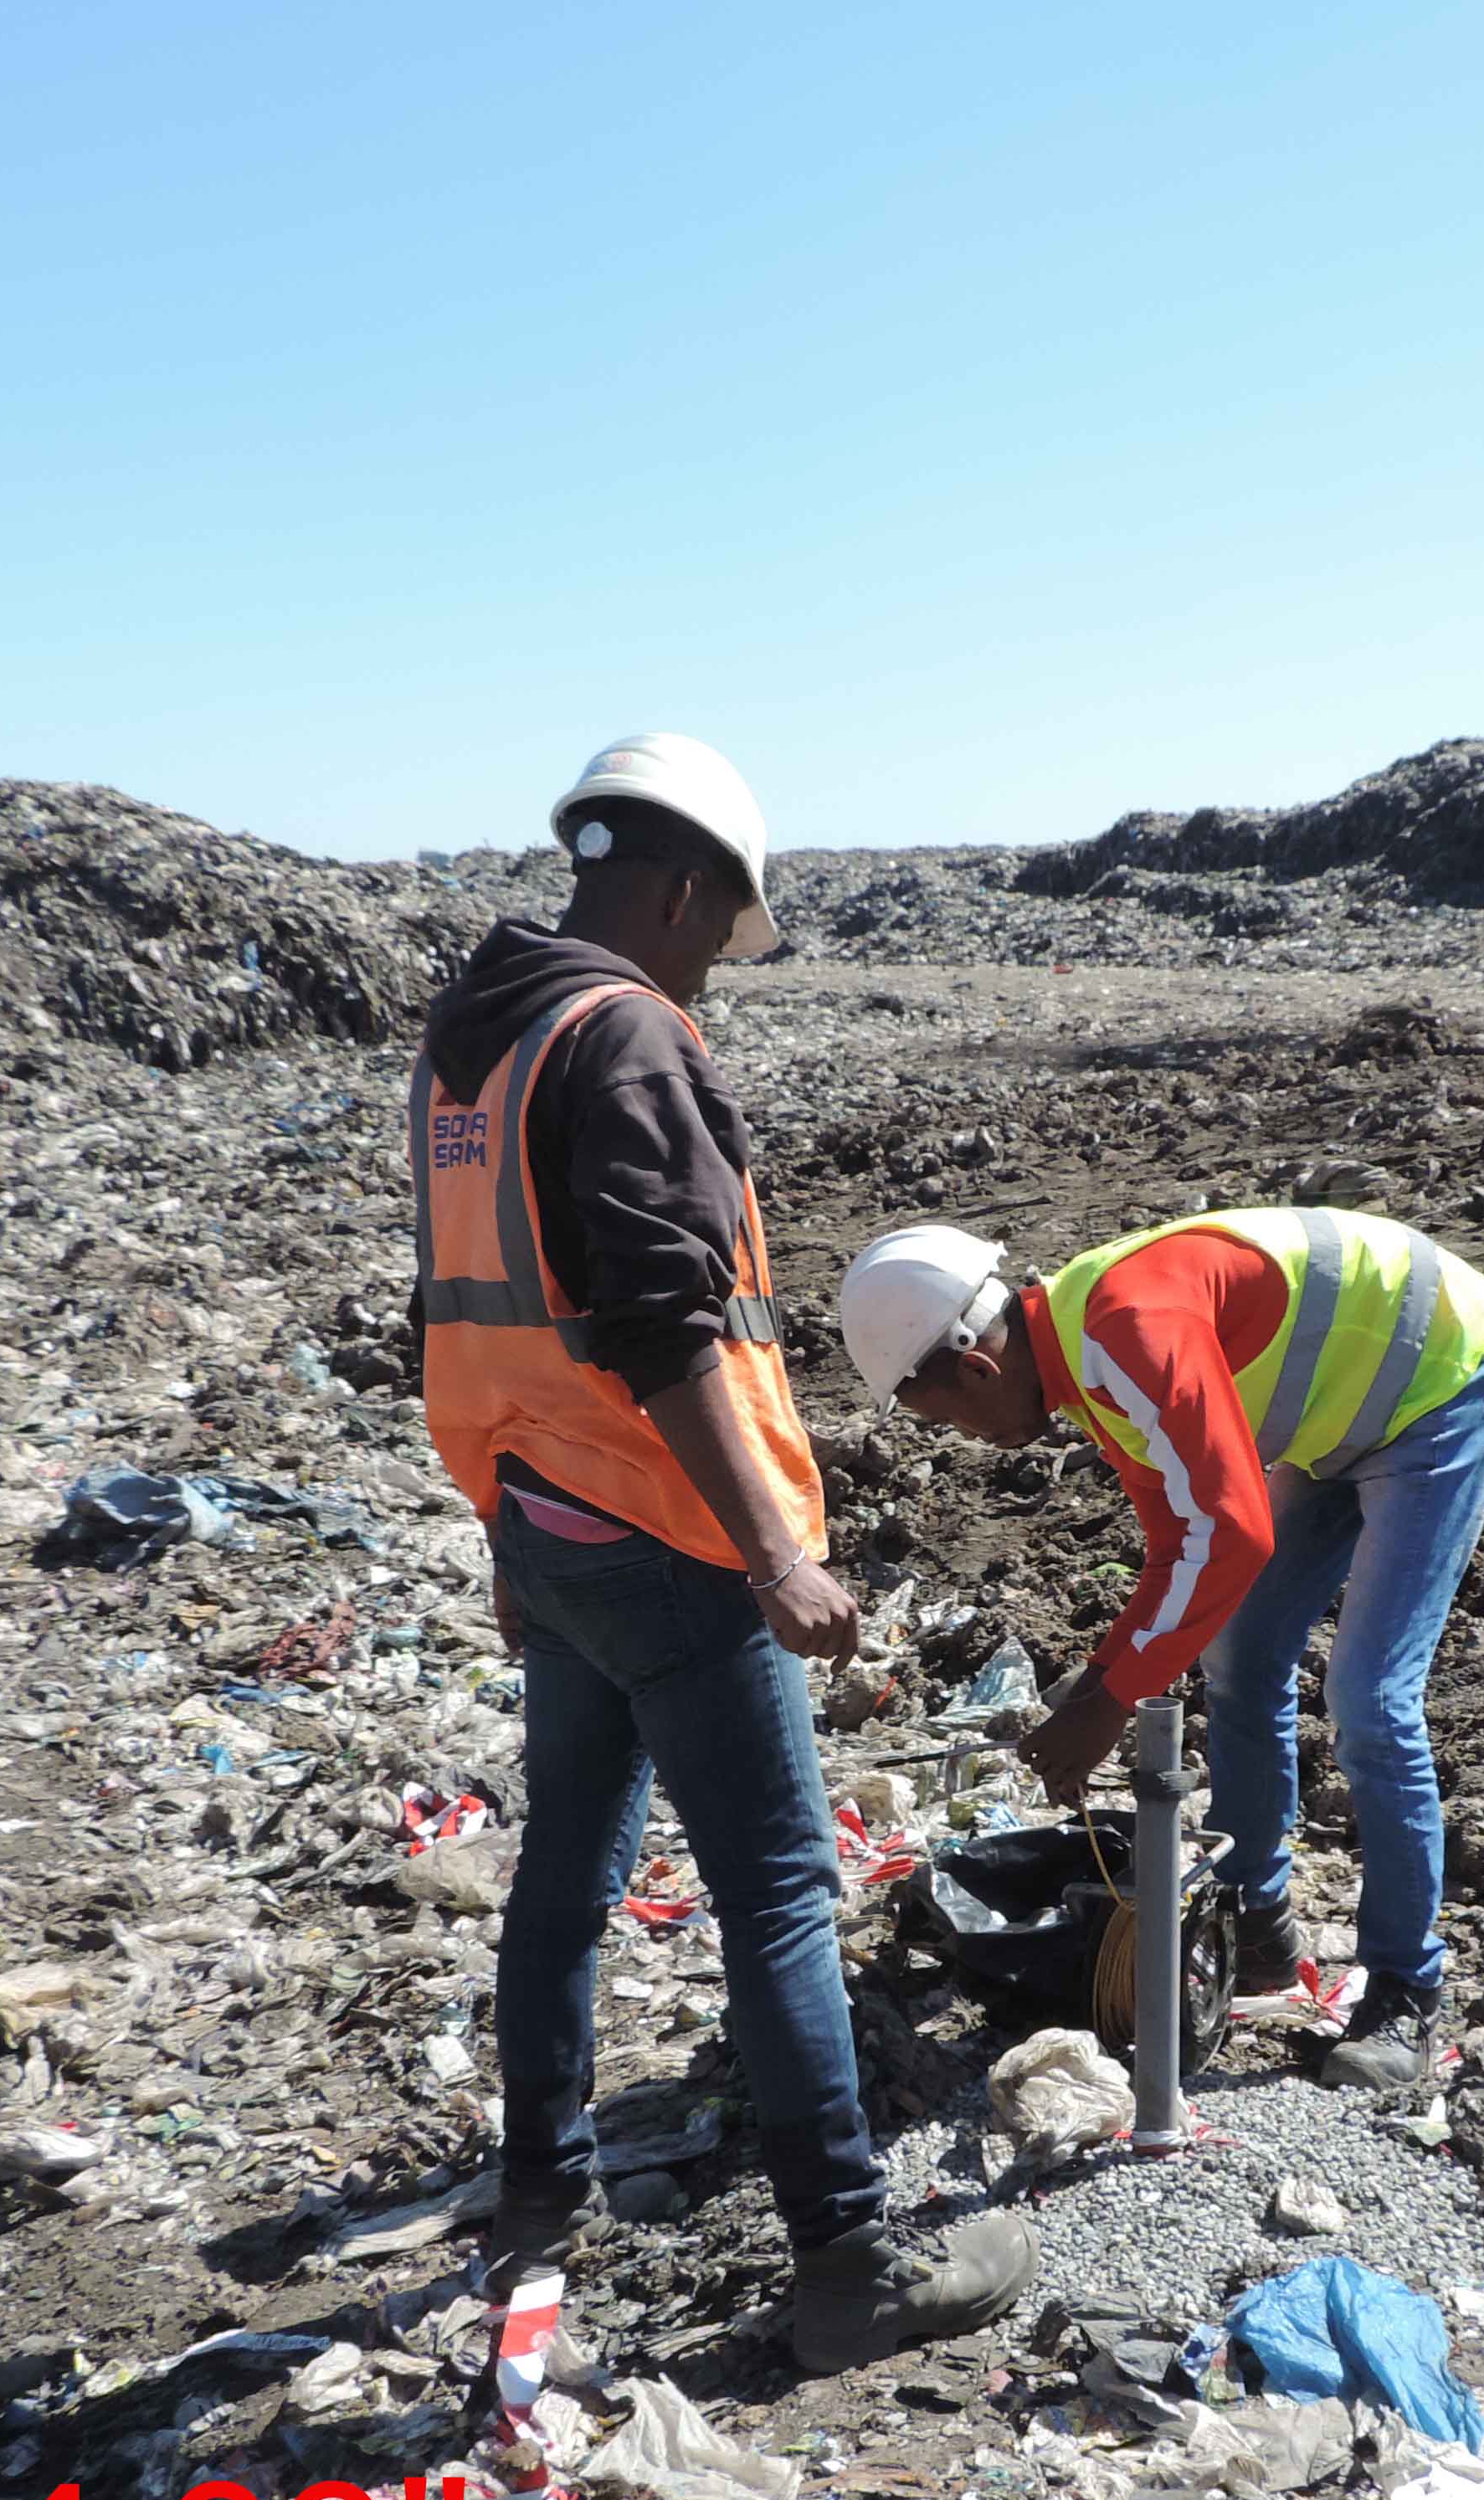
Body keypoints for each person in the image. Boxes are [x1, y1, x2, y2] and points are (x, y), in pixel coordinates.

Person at [408, 734, 1034, 2370]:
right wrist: (773, 1553)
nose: (713, 974)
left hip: (544, 1517)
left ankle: (540, 2185)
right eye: (715, 935)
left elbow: (473, 1311)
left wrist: (506, 1527)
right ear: (683, 887)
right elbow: (662, 1320)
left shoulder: (474, 1050)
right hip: (670, 1535)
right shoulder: (627, 1040)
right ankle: (850, 2262)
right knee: (775, 1893)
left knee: (569, 1865)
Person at [839, 1207, 1484, 2089]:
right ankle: (1261, 1925)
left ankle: (1404, 1992)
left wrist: (1112, 1702)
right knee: (1237, 1654)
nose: (962, 1440)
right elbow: (1180, 1544)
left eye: (945, 1419)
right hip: (1332, 1423)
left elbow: (1231, 1533)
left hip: (1438, 1385)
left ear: (977, 1366)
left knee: (1369, 1695)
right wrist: (1094, 1684)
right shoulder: (1085, 1367)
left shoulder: (1127, 1335)